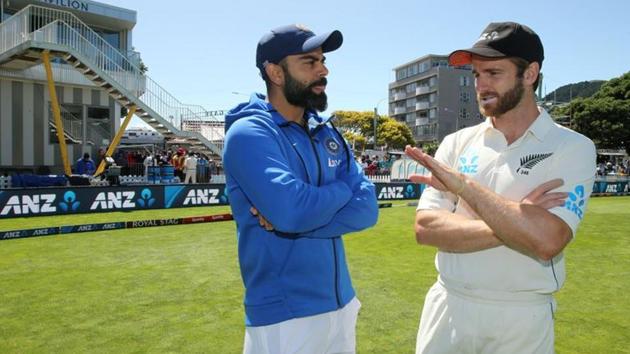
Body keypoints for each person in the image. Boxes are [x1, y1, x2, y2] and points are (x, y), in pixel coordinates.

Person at [406, 22, 596, 353]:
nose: (481, 85)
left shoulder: (572, 147)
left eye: (493, 73)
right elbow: (426, 229)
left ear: (530, 73)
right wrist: (515, 222)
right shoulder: (456, 142)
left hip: (520, 316)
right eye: (477, 75)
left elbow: (548, 241)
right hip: (448, 305)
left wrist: (463, 187)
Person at [223, 24, 378, 354]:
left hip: (342, 304)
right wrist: (341, 192)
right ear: (275, 73)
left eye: (322, 61)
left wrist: (299, 216)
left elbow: (367, 209)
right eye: (309, 62)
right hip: (286, 317)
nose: (323, 70)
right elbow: (293, 211)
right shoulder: (248, 133)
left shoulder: (326, 131)